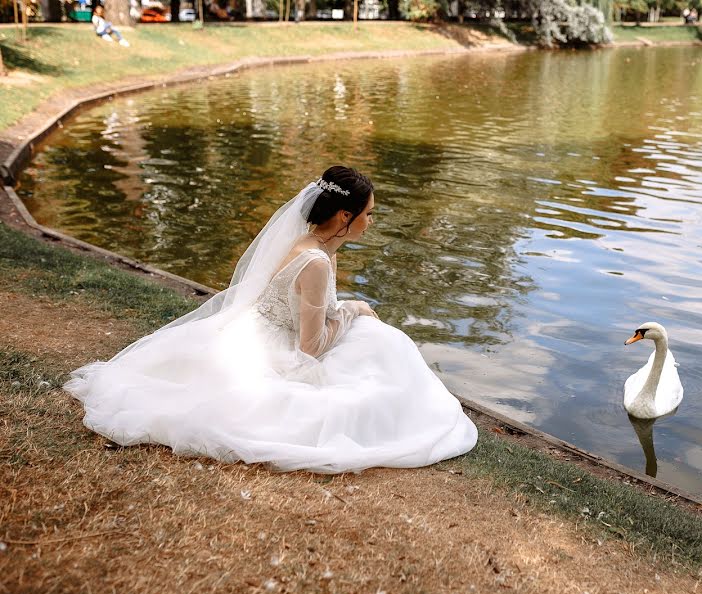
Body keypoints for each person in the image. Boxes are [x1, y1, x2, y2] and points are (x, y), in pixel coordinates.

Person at [65, 166, 478, 473]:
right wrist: (351, 309)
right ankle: (411, 410)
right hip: (278, 347)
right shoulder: (315, 261)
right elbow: (310, 348)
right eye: (368, 214)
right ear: (344, 217)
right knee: (383, 343)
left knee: (378, 340)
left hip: (259, 329)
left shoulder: (309, 244)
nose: (371, 223)